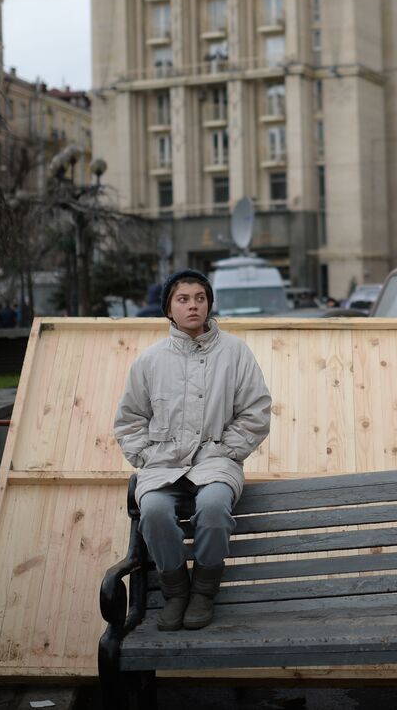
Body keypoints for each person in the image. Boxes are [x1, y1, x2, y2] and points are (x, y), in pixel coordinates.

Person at [113, 269, 272, 632]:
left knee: (214, 506)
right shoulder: (150, 360)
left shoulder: (234, 353)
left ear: (209, 304)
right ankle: (176, 592)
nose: (193, 306)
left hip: (216, 462)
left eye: (200, 298)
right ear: (169, 309)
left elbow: (256, 411)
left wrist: (226, 451)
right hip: (162, 464)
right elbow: (130, 419)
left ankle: (203, 591)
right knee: (152, 511)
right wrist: (145, 457)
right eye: (183, 299)